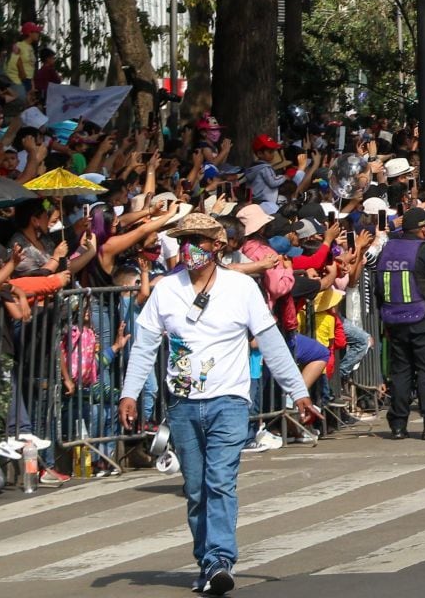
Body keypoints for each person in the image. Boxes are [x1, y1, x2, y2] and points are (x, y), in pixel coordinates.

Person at [118, 212, 321, 595]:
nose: (190, 248)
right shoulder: (166, 290)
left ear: (217, 246)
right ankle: (206, 560)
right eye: (184, 241)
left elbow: (274, 344)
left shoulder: (240, 288)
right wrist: (129, 392)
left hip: (229, 400)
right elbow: (145, 345)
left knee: (220, 482)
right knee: (195, 488)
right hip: (182, 404)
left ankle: (220, 559)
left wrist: (298, 392)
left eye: (198, 240)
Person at [373, 207, 425, 439]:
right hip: (423, 320)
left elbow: (378, 288)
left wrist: (384, 318)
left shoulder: (387, 250)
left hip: (394, 320)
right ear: (420, 229)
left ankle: (398, 425)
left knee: (401, 373)